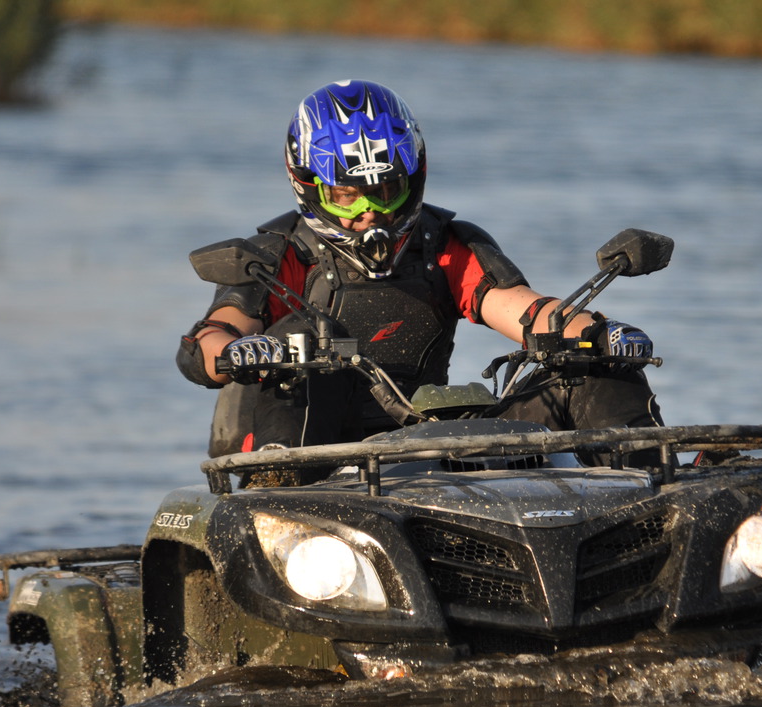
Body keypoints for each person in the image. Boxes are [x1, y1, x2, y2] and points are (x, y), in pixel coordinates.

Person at [176, 79, 662, 462]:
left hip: (426, 442)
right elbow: (213, 338)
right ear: (308, 186)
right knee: (309, 339)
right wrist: (239, 352)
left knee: (592, 361)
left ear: (413, 179)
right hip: (311, 456)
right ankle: (278, 491)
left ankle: (652, 483)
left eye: (385, 191)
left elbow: (526, 311)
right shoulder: (276, 255)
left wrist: (601, 334)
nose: (370, 212)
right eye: (346, 195)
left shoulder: (445, 243)